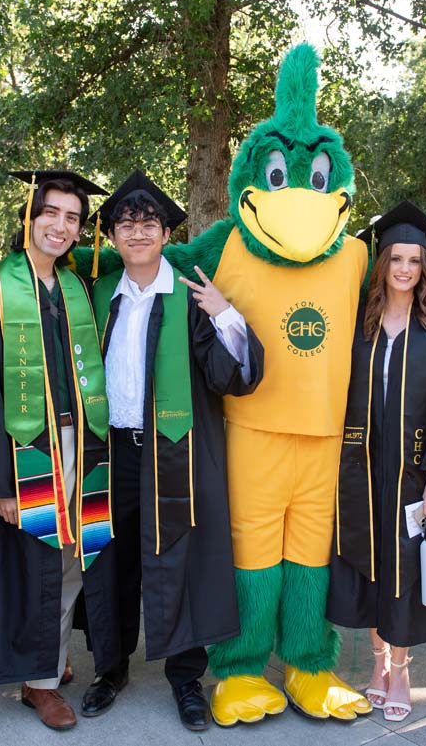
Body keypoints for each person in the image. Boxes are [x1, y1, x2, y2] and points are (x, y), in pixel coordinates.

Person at [81, 170, 263, 731]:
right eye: (126, 223)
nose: (138, 232)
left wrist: (225, 314)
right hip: (110, 454)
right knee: (109, 558)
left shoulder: (187, 299)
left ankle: (187, 679)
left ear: (166, 234)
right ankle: (110, 668)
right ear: (111, 234)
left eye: (149, 223)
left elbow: (234, 377)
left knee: (181, 558)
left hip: (175, 454)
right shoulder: (95, 297)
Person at [0, 170, 119, 732]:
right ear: (30, 215)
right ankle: (38, 682)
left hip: (83, 443)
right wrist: (0, 480)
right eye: (51, 212)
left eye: (72, 217)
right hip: (27, 453)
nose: (61, 225)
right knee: (36, 563)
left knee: (75, 554)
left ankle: (49, 662)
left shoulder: (78, 290)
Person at [328, 202, 426, 723]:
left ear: (425, 268)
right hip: (359, 468)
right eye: (396, 259)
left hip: (413, 469)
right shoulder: (357, 322)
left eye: (415, 260)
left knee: (404, 569)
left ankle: (402, 669)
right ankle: (377, 663)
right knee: (370, 562)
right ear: (381, 263)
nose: (405, 269)